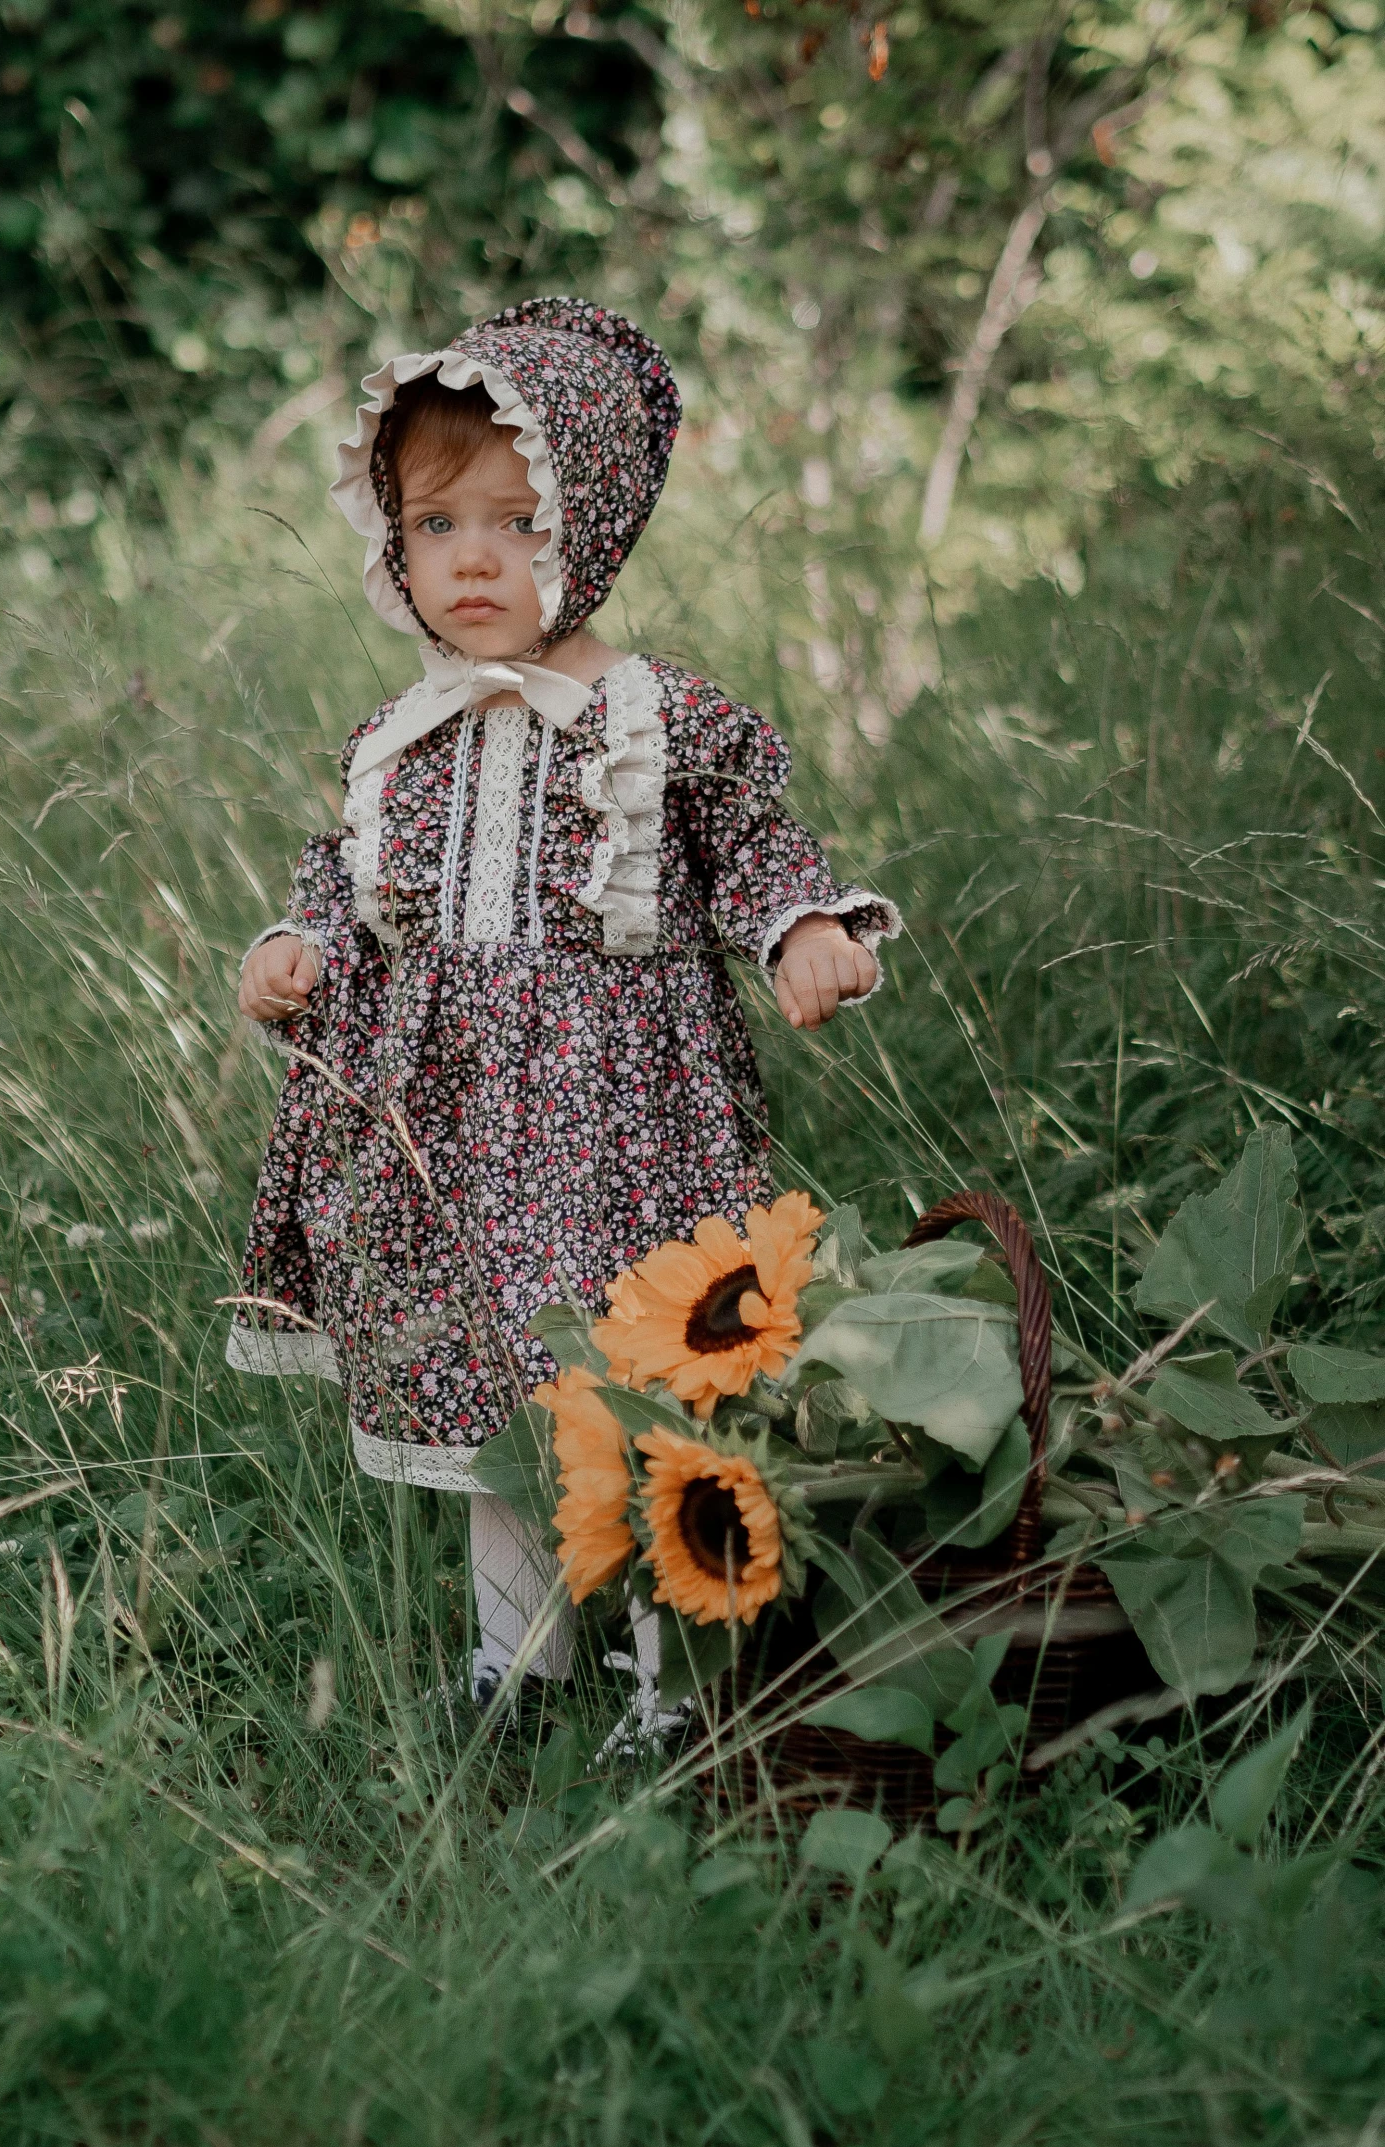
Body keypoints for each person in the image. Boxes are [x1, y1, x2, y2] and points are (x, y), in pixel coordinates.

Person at [228, 298, 899, 1743]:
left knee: (641, 1384)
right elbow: (341, 883)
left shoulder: (664, 720)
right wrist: (295, 945)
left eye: (520, 522)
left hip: (627, 1115)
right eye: (434, 524)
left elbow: (753, 848)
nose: (472, 557)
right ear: (389, 542)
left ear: (590, 527)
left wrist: (808, 931)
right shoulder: (398, 739)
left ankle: (672, 1683)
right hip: (453, 1126)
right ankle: (512, 1668)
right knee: (487, 1394)